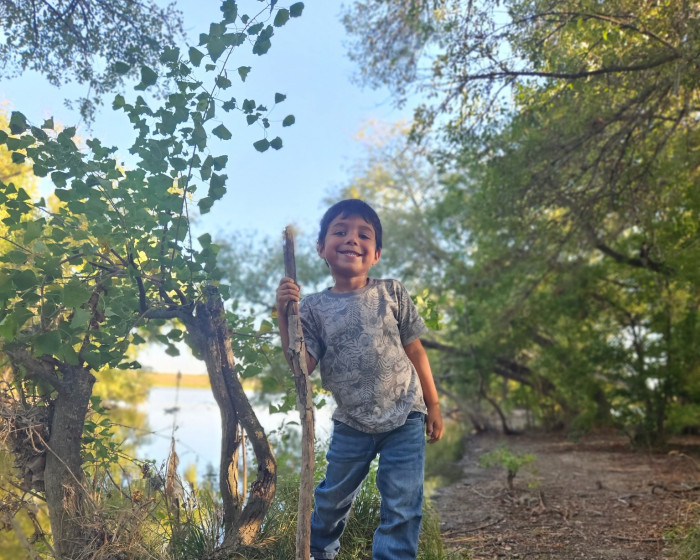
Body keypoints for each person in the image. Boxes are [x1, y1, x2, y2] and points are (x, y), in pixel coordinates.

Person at [276, 199, 444, 560]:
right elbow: (302, 366)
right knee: (332, 499)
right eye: (340, 231)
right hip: (352, 422)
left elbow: (416, 351)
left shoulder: (392, 292)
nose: (352, 239)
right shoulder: (312, 308)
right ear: (321, 248)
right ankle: (318, 551)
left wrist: (433, 405)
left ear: (376, 254)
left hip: (406, 415)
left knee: (402, 504)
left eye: (363, 235)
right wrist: (284, 314)